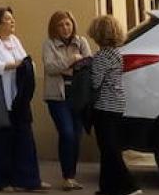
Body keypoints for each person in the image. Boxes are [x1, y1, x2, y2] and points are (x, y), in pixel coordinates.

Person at [0, 7, 51, 192]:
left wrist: (26, 65)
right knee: (0, 141)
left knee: (25, 138)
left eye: (12, 18)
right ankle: (2, 181)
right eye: (7, 19)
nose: (12, 22)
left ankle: (29, 179)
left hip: (18, 97)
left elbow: (25, 60)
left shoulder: (14, 40)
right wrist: (14, 65)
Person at [88, 15, 141, 195]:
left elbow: (95, 82)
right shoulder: (116, 53)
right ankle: (107, 187)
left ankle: (130, 186)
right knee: (109, 148)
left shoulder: (101, 56)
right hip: (117, 104)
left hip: (104, 106)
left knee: (109, 150)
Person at [42, 11, 92, 191]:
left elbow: (87, 65)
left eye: (68, 24)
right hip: (57, 96)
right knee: (67, 133)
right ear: (54, 28)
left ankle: (71, 176)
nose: (65, 28)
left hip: (78, 95)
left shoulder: (81, 42)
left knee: (76, 136)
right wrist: (72, 60)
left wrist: (65, 68)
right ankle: (67, 177)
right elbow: (50, 67)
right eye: (61, 25)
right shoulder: (49, 44)